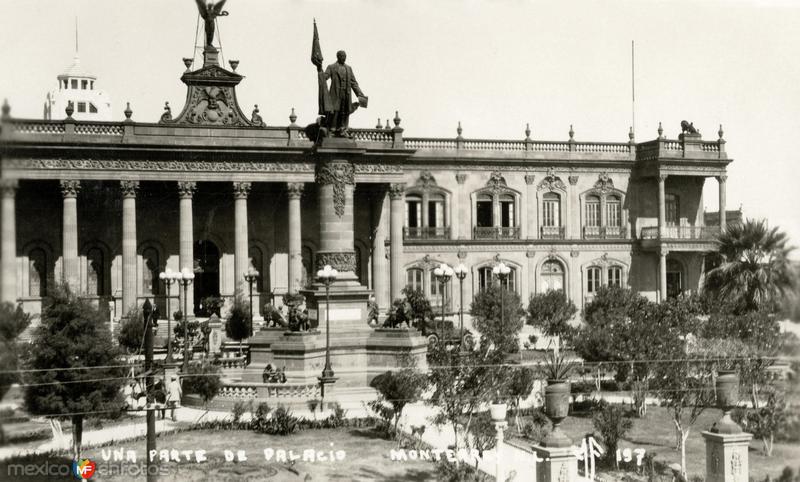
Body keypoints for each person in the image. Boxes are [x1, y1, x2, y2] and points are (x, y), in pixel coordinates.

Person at [321, 51, 367, 137]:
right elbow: (324, 77)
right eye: (342, 56)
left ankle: (343, 130)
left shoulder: (349, 68)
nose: (344, 58)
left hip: (346, 94)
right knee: (335, 112)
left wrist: (360, 94)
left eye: (345, 56)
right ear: (338, 57)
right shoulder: (331, 67)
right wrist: (320, 71)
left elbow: (354, 83)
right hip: (335, 94)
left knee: (345, 112)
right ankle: (332, 130)